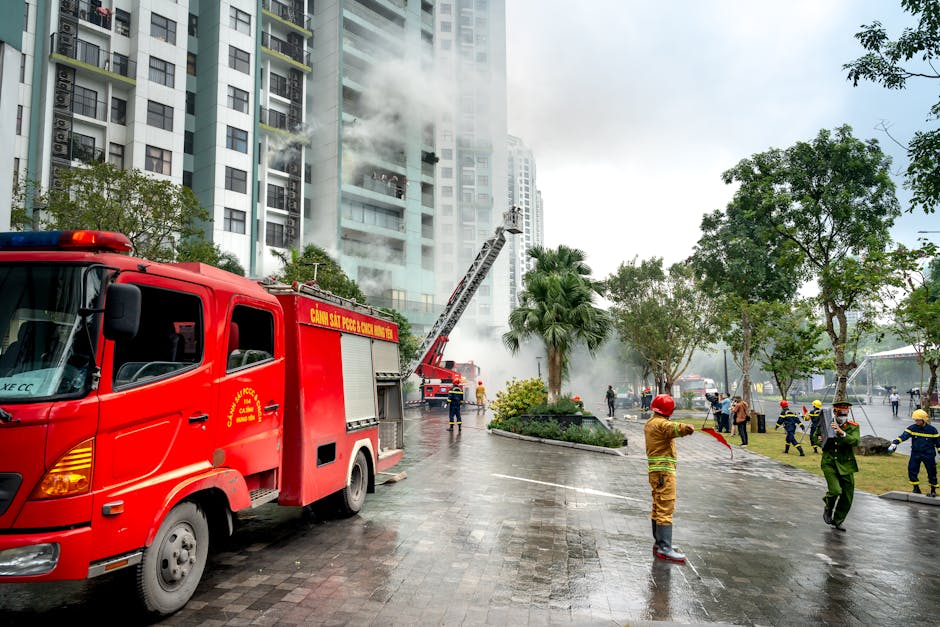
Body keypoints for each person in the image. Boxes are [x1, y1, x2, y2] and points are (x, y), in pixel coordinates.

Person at [644, 393, 695, 563]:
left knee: (657, 506)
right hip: (664, 473)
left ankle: (659, 544)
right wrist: (686, 428)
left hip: (656, 473)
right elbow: (672, 428)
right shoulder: (661, 424)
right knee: (666, 506)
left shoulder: (650, 423)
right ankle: (665, 548)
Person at [820, 400, 859, 531]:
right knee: (836, 490)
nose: (843, 415)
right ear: (835, 411)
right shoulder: (827, 423)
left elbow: (856, 441)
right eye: (840, 412)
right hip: (829, 462)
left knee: (847, 496)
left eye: (845, 412)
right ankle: (828, 507)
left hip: (846, 464)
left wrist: (842, 433)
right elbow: (816, 437)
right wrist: (820, 439)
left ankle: (838, 520)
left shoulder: (853, 426)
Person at [887, 409, 939, 497]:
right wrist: (895, 443)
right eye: (915, 420)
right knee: (912, 470)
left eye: (918, 420)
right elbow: (904, 436)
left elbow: (938, 443)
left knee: (932, 472)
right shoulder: (912, 428)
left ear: (923, 419)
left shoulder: (932, 430)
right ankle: (916, 488)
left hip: (928, 454)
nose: (916, 421)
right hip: (916, 454)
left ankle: (933, 490)